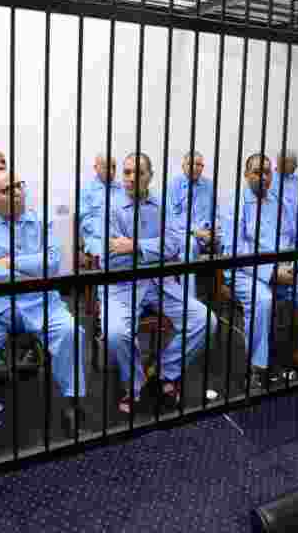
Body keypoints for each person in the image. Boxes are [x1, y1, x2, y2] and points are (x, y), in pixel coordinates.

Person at [93, 154, 214, 413]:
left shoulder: (161, 205)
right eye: (126, 172)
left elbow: (174, 244)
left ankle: (165, 371)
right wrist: (152, 252)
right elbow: (110, 258)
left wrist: (134, 246)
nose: (131, 178)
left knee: (205, 321)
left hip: (160, 283)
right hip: (120, 285)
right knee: (115, 334)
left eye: (139, 172)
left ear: (151, 176)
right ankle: (136, 384)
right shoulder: (109, 208)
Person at [0, 170, 86, 431]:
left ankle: (72, 401)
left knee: (71, 332)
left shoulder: (41, 220)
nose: (15, 191)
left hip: (40, 301)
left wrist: (8, 263)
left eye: (18, 185)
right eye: (5, 189)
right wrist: (30, 266)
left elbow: (53, 263)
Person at [222, 154, 298, 388]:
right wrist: (270, 273)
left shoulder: (281, 203)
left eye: (267, 172)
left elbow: (296, 238)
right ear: (247, 175)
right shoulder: (234, 204)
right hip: (246, 271)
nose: (263, 177)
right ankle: (257, 366)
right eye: (257, 172)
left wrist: (294, 267)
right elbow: (235, 250)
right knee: (263, 300)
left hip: (283, 269)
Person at [166, 150, 219, 254]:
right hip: (184, 232)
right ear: (183, 166)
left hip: (206, 230)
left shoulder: (209, 185)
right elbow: (172, 218)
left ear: (202, 167)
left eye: (199, 165)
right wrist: (196, 231)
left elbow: (215, 212)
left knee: (226, 240)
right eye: (190, 164)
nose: (194, 168)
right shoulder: (173, 186)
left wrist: (212, 229)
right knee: (191, 245)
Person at [78, 154, 122, 266]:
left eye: (114, 167)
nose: (111, 171)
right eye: (106, 167)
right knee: (107, 258)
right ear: (95, 167)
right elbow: (84, 220)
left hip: (119, 236)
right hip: (96, 238)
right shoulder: (87, 190)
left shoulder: (121, 189)